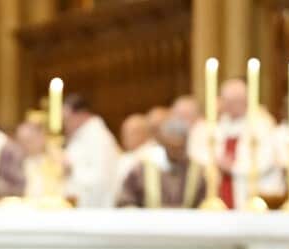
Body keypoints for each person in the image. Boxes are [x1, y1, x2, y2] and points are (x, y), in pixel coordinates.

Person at [190, 78, 280, 209]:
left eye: (234, 101)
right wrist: (218, 161)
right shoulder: (216, 124)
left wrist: (233, 167)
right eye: (226, 101)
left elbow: (266, 160)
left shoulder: (262, 124)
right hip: (221, 194)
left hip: (253, 194)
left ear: (245, 101)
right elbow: (198, 152)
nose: (228, 106)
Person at [117, 116, 206, 209]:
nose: (176, 152)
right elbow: (125, 200)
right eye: (172, 148)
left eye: (180, 148)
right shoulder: (142, 168)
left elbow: (204, 202)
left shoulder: (197, 171)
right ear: (163, 143)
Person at [63, 94, 121, 208]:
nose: (65, 124)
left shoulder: (98, 137)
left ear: (81, 114)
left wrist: (71, 168)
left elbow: (101, 178)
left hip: (96, 207)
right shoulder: (83, 135)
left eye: (67, 119)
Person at [114, 113, 156, 199]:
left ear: (144, 133)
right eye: (123, 133)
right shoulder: (129, 155)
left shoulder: (150, 154)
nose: (124, 138)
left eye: (130, 133)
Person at [15, 114, 48, 198]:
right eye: (21, 141)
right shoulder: (17, 163)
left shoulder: (55, 160)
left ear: (41, 137)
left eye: (28, 141)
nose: (24, 146)